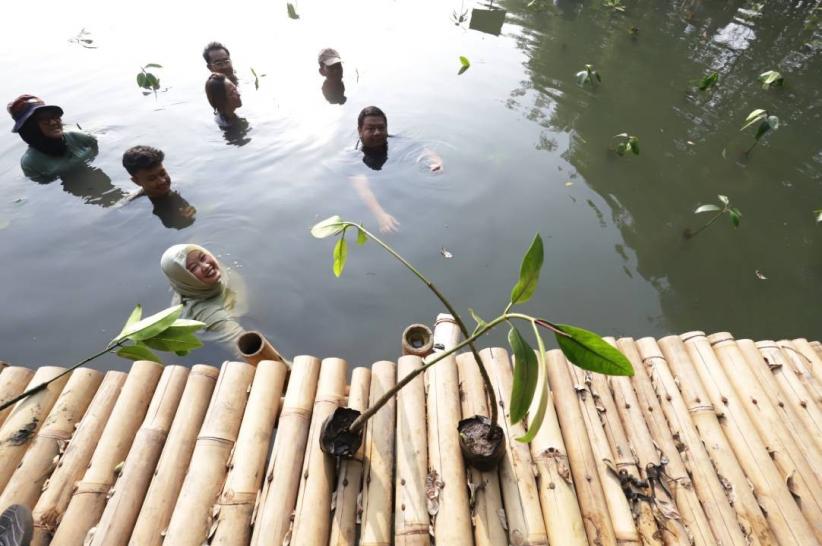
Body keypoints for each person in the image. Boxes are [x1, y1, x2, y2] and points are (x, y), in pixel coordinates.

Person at [350, 106, 444, 232]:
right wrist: (380, 215)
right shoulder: (355, 157)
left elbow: (424, 150)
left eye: (381, 128)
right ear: (360, 131)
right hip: (384, 195)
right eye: (370, 129)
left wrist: (437, 162)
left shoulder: (398, 142)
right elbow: (362, 188)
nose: (377, 132)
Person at [161, 244, 247, 345]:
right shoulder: (209, 314)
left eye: (202, 257)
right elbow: (243, 344)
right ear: (185, 278)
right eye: (193, 268)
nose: (206, 266)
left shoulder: (198, 282)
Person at [7, 95, 98, 182]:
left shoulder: (79, 137)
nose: (53, 122)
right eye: (44, 119)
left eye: (54, 116)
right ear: (31, 128)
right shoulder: (31, 164)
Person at [121, 145, 195, 229]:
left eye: (162, 173)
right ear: (136, 181)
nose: (162, 181)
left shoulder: (185, 186)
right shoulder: (135, 206)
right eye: (152, 178)